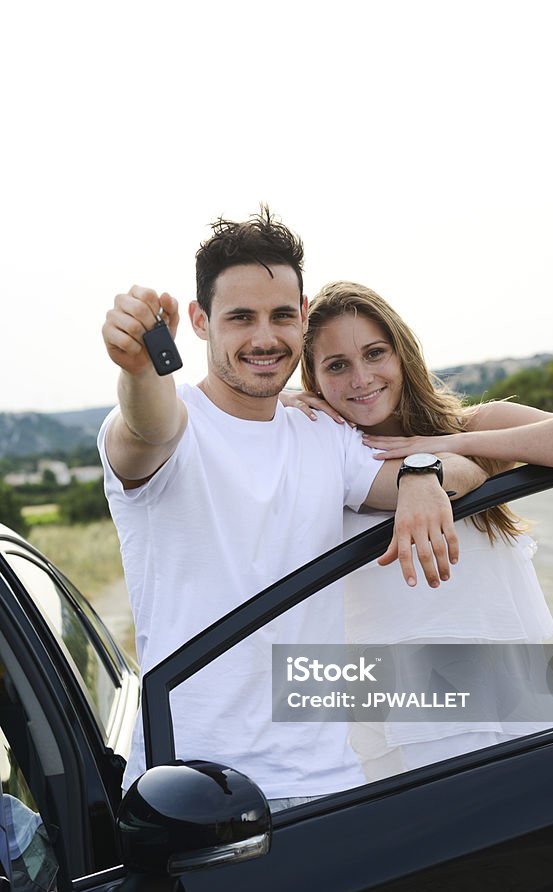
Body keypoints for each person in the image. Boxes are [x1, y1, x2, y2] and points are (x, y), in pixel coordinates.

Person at [98, 209, 490, 807]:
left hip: (328, 787)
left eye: (281, 315)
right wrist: (140, 367)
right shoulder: (172, 427)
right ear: (200, 323)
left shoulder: (322, 433)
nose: (264, 337)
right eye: (240, 318)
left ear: (303, 317)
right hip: (191, 795)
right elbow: (146, 426)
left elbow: (466, 471)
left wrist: (417, 474)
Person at [286, 280, 553, 779]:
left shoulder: (472, 429)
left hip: (519, 709)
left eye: (374, 353)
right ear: (315, 380)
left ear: (402, 354)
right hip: (407, 733)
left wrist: (446, 441)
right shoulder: (329, 461)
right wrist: (288, 405)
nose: (361, 378)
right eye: (337, 365)